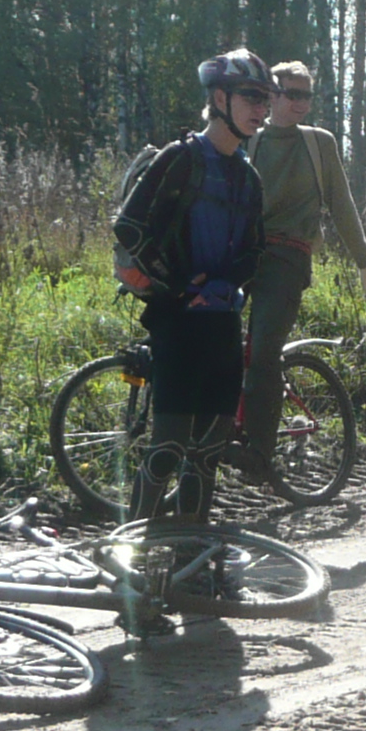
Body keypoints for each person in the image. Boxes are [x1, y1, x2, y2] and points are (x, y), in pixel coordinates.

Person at [111, 50, 272, 521]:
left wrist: (224, 284)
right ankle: (137, 546)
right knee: (168, 446)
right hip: (176, 321)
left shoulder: (248, 175)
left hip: (222, 322)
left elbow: (255, 250)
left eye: (266, 99)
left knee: (207, 452)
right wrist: (179, 286)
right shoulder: (179, 159)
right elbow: (130, 228)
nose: (262, 108)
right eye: (252, 97)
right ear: (220, 99)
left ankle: (190, 551)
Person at [239, 59, 366, 479]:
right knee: (214, 343)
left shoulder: (319, 144)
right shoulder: (249, 140)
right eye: (293, 94)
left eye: (307, 95)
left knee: (264, 352)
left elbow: (342, 205)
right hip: (244, 256)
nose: (301, 102)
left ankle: (259, 455)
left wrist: (364, 264)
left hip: (288, 258)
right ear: (272, 95)